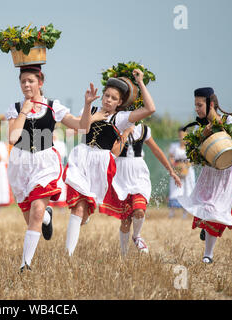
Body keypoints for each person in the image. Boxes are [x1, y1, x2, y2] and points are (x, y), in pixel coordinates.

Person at [64, 69, 156, 257]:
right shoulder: (90, 110)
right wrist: (88, 106)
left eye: (113, 98)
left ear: (120, 102)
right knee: (77, 208)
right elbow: (81, 129)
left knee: (84, 212)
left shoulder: (121, 119)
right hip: (82, 157)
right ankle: (68, 256)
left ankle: (87, 216)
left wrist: (141, 83)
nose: (108, 100)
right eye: (106, 95)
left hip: (100, 164)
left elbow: (150, 109)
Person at [6, 64, 86, 272]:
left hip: (44, 163)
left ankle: (25, 264)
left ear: (40, 82)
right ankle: (47, 217)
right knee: (32, 217)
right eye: (23, 81)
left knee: (37, 210)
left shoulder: (53, 106)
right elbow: (13, 138)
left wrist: (87, 105)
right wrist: (24, 110)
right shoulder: (14, 108)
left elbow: (81, 127)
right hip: (20, 164)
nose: (26, 85)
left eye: (30, 80)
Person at [177, 87, 232, 264]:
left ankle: (207, 254)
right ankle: (207, 244)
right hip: (210, 173)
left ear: (211, 104)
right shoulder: (200, 126)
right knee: (208, 208)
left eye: (199, 105)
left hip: (229, 173)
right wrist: (203, 134)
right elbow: (193, 152)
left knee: (216, 211)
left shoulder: (229, 120)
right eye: (195, 105)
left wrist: (222, 125)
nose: (196, 108)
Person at [102, 123, 182, 256]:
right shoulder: (115, 126)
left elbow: (157, 150)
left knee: (139, 210)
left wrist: (171, 171)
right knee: (126, 220)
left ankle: (137, 235)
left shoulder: (143, 129)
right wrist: (126, 132)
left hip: (139, 173)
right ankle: (124, 254)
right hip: (120, 174)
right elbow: (112, 152)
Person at [167, 128, 196, 219]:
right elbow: (171, 157)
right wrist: (175, 167)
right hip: (177, 169)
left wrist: (186, 167)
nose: (182, 137)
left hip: (188, 171)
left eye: (183, 135)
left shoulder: (191, 146)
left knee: (187, 190)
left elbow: (193, 160)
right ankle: (172, 212)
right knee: (175, 189)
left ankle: (185, 213)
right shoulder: (174, 146)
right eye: (180, 135)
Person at [49, 129, 68, 210]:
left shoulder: (61, 144)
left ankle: (61, 205)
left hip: (58, 167)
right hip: (49, 168)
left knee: (60, 184)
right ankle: (50, 204)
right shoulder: (47, 143)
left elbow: (63, 156)